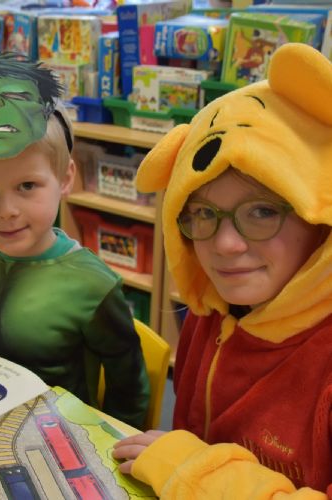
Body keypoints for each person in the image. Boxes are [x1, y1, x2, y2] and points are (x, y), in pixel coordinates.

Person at [112, 42, 332, 497]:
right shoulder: (213, 310)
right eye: (203, 213)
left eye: (262, 212)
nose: (225, 246)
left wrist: (195, 474)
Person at [0, 53, 150, 428]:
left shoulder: (93, 285)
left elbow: (129, 391)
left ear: (65, 179)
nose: (6, 211)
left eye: (27, 186)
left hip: (59, 435)